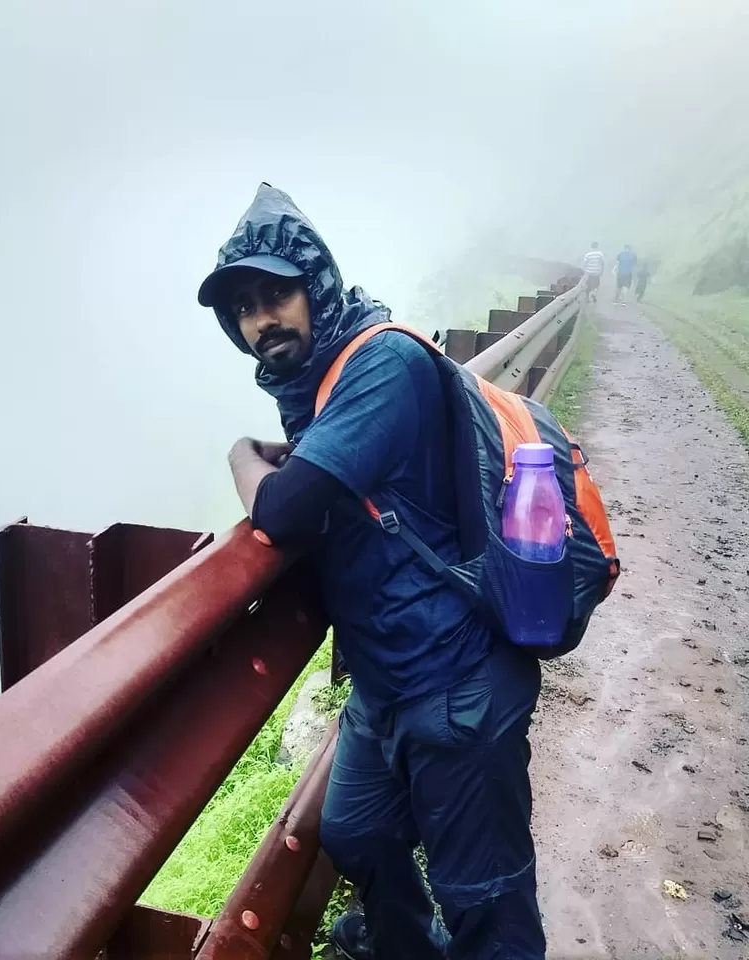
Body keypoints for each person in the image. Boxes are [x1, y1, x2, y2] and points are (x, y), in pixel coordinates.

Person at [198, 183, 545, 960]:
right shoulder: (319, 388)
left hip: (457, 681)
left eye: (277, 292)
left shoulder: (380, 361)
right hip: (386, 687)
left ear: (315, 283)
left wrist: (241, 457)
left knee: (485, 899)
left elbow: (284, 512)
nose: (262, 320)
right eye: (244, 306)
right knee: (353, 832)